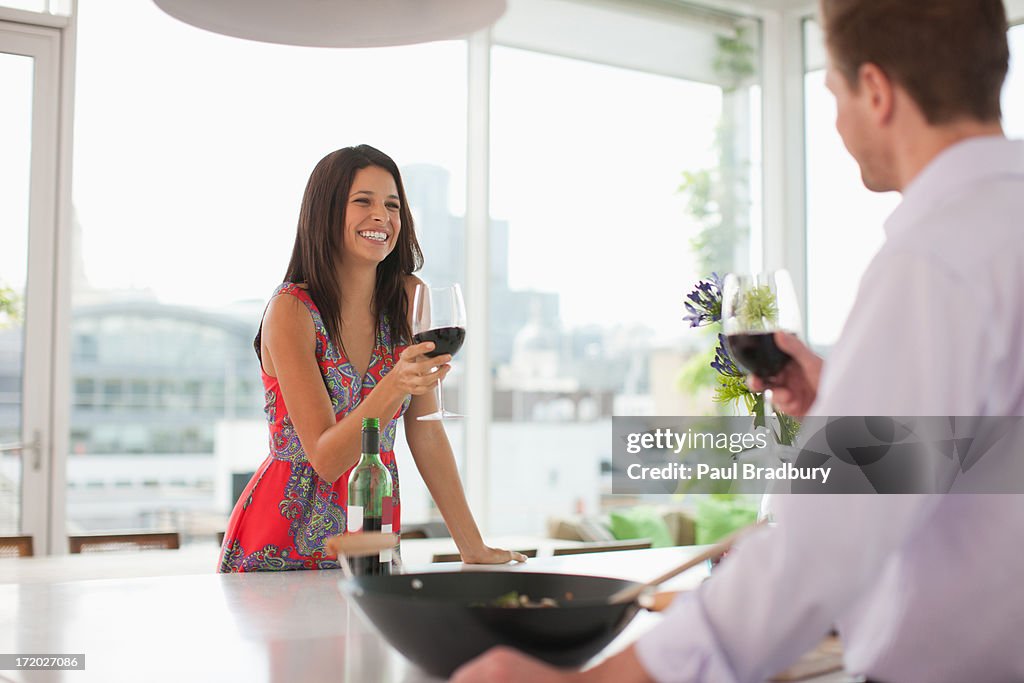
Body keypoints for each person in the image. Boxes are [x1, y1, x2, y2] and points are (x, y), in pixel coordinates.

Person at [453, 0, 1024, 681]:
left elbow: (822, 543)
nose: (837, 121)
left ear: (875, 91)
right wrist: (839, 414)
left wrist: (601, 679)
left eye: (833, 93)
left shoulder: (935, 257)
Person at [219, 144, 525, 571]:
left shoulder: (409, 298)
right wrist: (395, 384)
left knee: (373, 639)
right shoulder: (291, 310)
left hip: (371, 527)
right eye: (362, 201)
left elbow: (427, 434)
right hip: (281, 542)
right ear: (325, 212)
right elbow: (325, 459)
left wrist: (471, 546)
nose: (381, 216)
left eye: (392, 205)